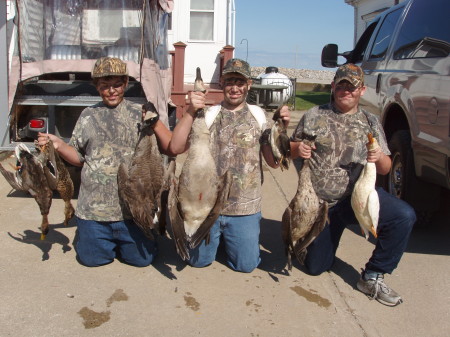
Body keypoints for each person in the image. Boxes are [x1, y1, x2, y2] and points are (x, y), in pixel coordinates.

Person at [289, 63, 416, 306]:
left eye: (352, 86)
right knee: (316, 267)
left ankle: (372, 275)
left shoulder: (370, 121)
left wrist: (378, 155)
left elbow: (386, 168)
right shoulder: (314, 115)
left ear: (362, 90)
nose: (346, 91)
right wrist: (298, 148)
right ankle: (311, 237)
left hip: (358, 199)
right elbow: (291, 152)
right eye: (342, 85)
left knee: (403, 215)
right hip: (322, 205)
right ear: (334, 87)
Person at [37, 57, 172, 267]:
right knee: (92, 260)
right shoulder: (88, 115)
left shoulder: (142, 113)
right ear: (96, 86)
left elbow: (170, 147)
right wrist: (58, 145)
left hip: (133, 212)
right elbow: (79, 158)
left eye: (117, 84)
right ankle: (96, 235)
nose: (111, 90)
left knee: (141, 260)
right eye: (104, 85)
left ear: (126, 83)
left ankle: (138, 237)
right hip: (94, 212)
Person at [169, 58, 290, 273]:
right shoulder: (208, 115)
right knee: (197, 261)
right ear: (222, 83)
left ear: (249, 85)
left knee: (246, 265)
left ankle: (231, 238)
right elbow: (176, 147)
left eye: (240, 82)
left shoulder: (259, 116)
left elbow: (272, 162)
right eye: (230, 81)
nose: (235, 88)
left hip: (244, 207)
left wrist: (281, 130)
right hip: (206, 205)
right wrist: (189, 111)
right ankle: (218, 237)